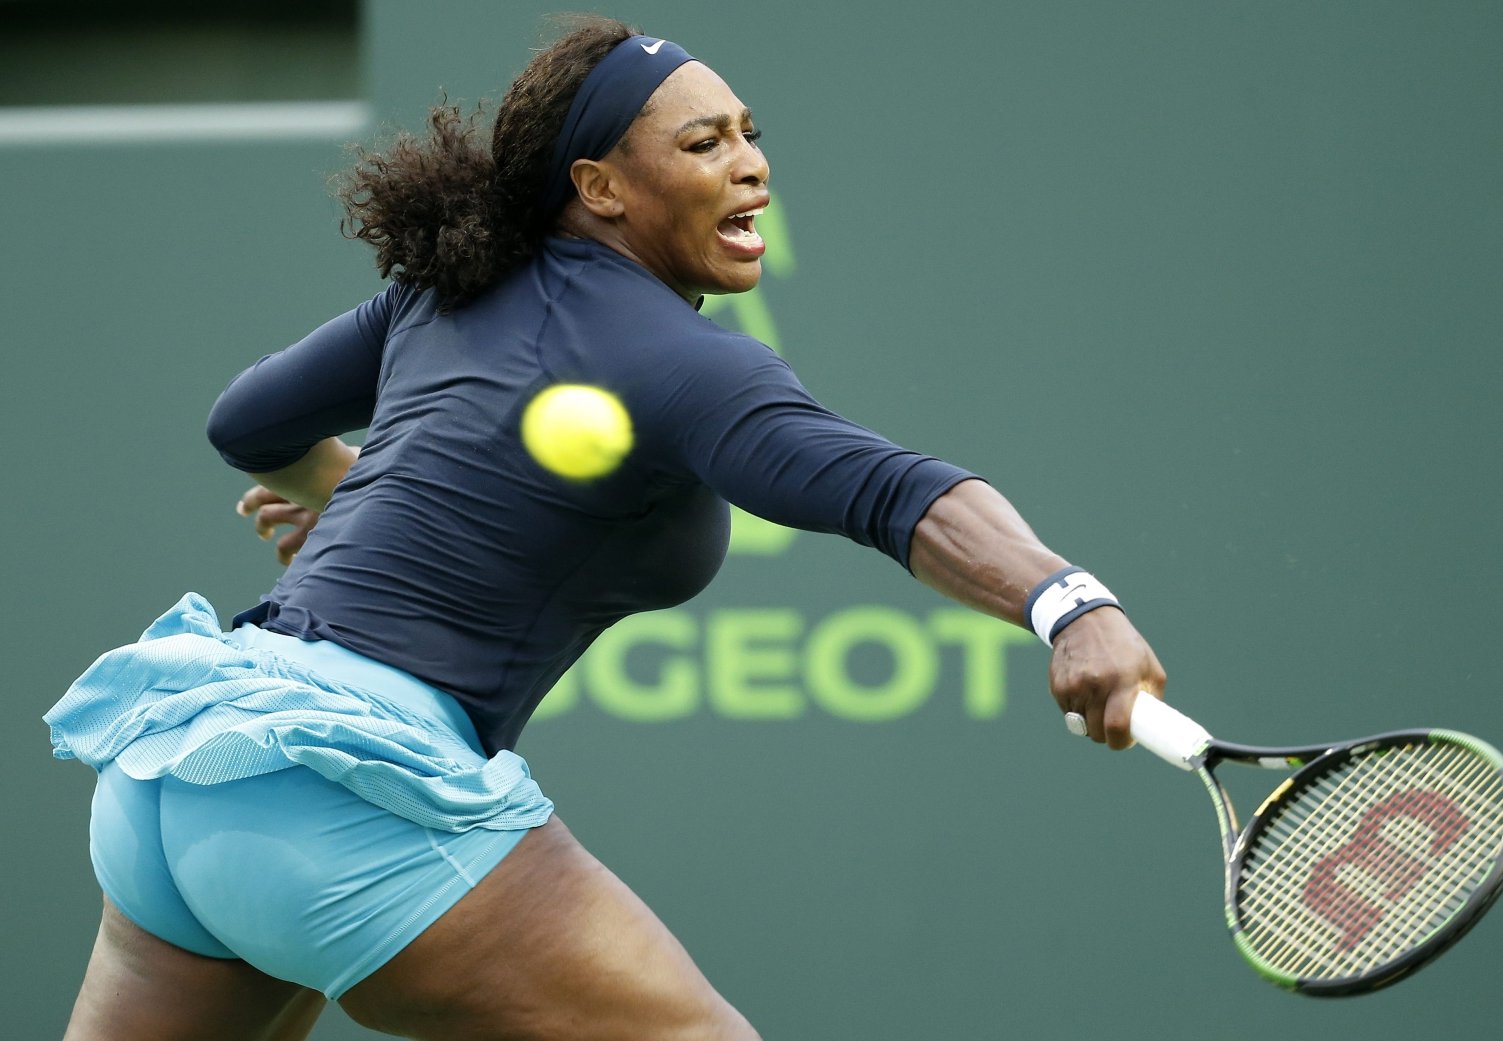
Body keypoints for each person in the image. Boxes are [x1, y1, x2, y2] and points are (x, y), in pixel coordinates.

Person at [45, 15, 1166, 1041]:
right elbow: (891, 492)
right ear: (601, 186)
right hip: (343, 791)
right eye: (704, 144)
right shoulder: (682, 360)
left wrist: (347, 493)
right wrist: (1070, 603)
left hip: (183, 773)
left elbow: (249, 423)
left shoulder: (440, 294)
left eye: (750, 135)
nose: (751, 164)